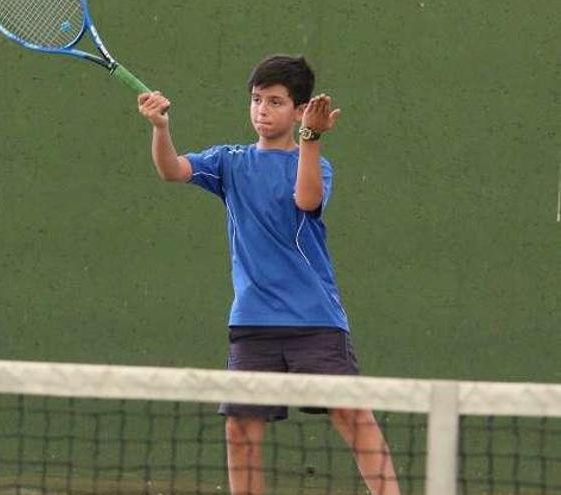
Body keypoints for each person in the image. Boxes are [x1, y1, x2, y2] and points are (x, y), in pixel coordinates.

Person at [137, 54, 401, 495]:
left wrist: (311, 139)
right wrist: (161, 128)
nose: (262, 110)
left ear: (298, 110)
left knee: (353, 418)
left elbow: (305, 198)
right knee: (240, 433)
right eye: (257, 100)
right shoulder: (228, 162)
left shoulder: (317, 164)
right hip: (252, 323)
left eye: (276, 101)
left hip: (314, 321)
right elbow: (171, 170)